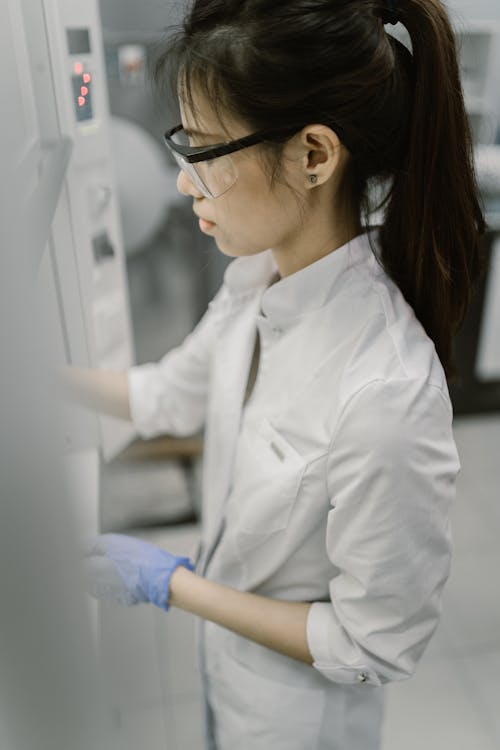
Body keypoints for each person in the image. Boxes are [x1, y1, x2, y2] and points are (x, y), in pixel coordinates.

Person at [72, 1, 486, 748]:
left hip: (297, 723)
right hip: (226, 677)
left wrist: (175, 586)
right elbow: (170, 393)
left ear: (314, 156)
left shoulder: (384, 394)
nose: (181, 183)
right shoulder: (256, 278)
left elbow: (375, 643)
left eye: (204, 149)